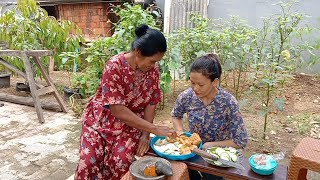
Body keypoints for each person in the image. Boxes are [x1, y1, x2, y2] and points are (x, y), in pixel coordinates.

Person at [75, 24, 177, 180]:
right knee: (88, 163)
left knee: (121, 163)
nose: (154, 65)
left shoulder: (153, 70)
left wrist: (145, 134)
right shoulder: (114, 65)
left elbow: (151, 102)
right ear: (138, 52)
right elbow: (117, 109)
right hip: (101, 121)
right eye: (152, 60)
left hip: (131, 124)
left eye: (157, 61)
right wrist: (154, 128)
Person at [171, 53, 248, 180]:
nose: (195, 88)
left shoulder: (228, 102)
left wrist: (211, 145)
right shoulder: (187, 96)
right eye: (192, 82)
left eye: (200, 85)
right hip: (192, 152)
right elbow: (176, 115)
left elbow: (240, 140)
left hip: (215, 157)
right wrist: (180, 132)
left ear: (215, 82)